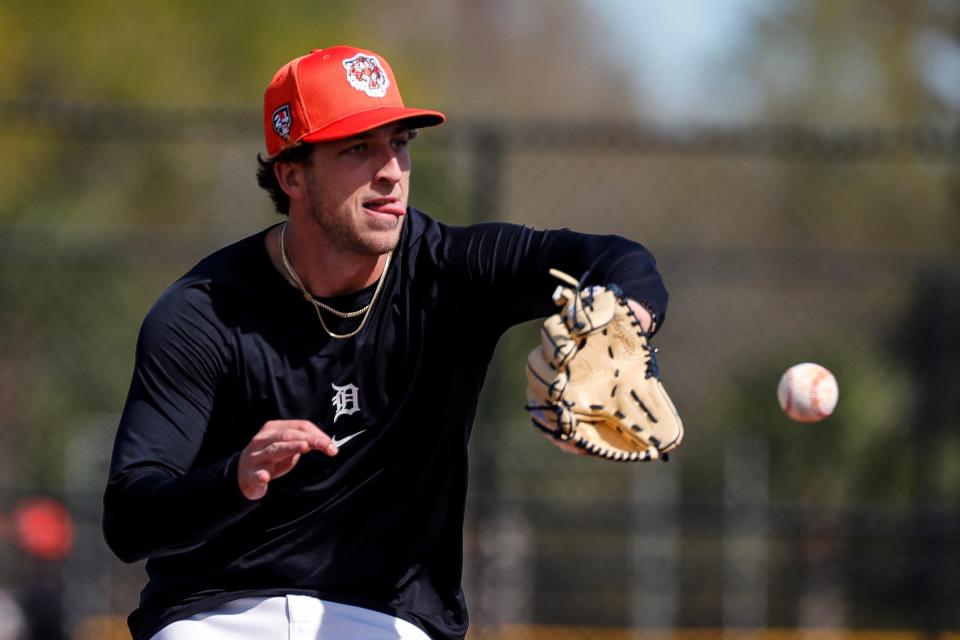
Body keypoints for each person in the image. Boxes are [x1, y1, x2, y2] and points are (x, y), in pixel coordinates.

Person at [103, 45, 669, 640]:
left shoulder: (451, 273)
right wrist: (234, 476)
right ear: (292, 175)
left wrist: (622, 319)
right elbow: (131, 518)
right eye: (358, 148)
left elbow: (614, 257)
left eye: (399, 143)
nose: (391, 169)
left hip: (383, 616)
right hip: (217, 613)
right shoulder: (204, 312)